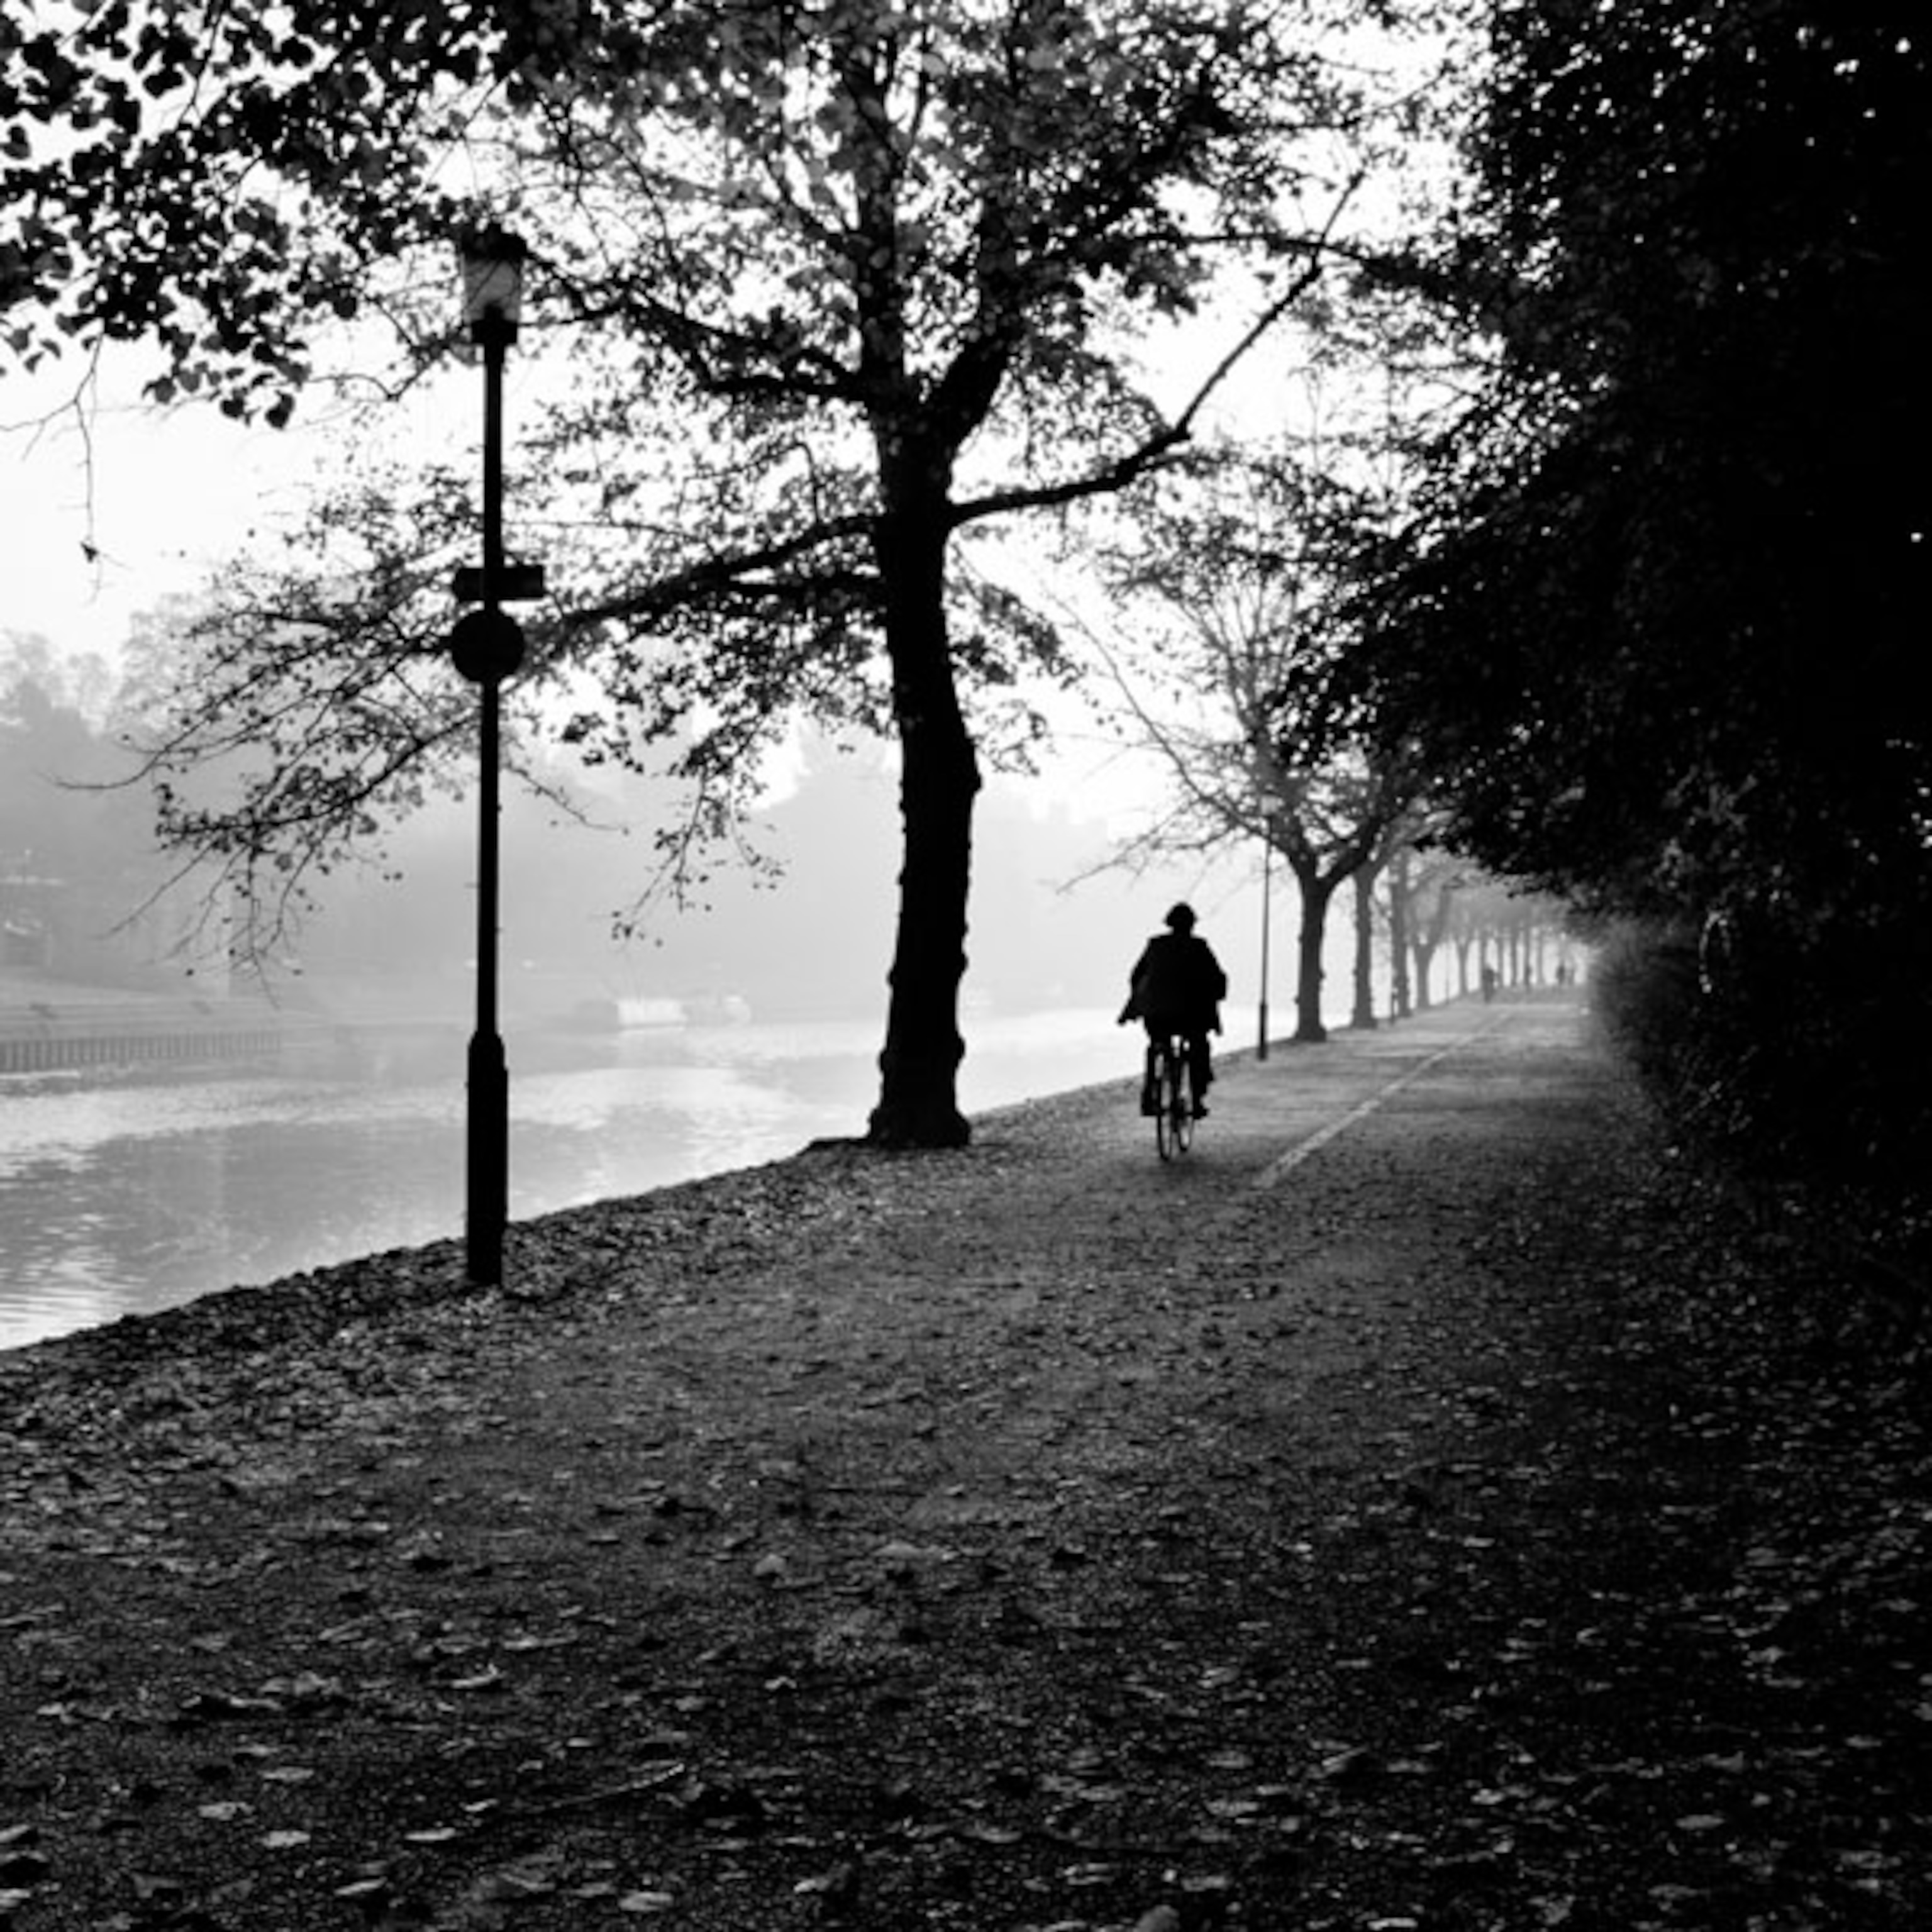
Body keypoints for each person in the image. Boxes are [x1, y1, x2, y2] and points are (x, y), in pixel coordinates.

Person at [1119, 902, 1227, 1118]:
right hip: (1191, 1016)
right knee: (1198, 1047)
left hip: (1157, 1015)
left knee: (1157, 1046)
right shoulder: (1199, 947)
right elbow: (1217, 978)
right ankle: (1196, 1100)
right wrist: (1217, 996)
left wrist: (1142, 999)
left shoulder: (1155, 945)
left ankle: (1150, 1095)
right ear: (1192, 925)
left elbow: (1135, 975)